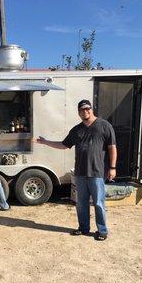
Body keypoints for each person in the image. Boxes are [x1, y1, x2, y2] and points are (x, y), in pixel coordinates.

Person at [34, 99, 117, 241]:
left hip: (96, 172)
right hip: (80, 173)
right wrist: (45, 141)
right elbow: (63, 145)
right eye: (82, 110)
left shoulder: (104, 126)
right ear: (79, 113)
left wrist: (113, 167)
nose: (85, 112)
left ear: (92, 109)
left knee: (98, 203)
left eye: (87, 109)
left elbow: (112, 147)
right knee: (81, 203)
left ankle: (102, 231)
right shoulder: (77, 130)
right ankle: (83, 228)